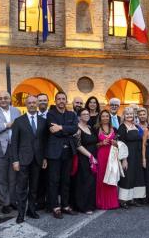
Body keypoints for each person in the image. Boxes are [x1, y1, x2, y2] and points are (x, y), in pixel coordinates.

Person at [9, 95, 47, 223]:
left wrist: (44, 158)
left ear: (37, 104)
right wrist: (15, 160)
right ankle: (21, 213)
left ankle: (31, 210)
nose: (32, 104)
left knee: (34, 188)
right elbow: (14, 142)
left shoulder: (43, 121)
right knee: (22, 188)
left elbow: (44, 141)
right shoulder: (19, 121)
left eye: (34, 102)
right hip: (23, 159)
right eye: (29, 102)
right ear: (26, 104)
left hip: (38, 159)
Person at [45, 91, 78, 219]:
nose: (61, 101)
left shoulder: (72, 114)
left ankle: (65, 205)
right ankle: (55, 206)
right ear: (55, 101)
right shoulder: (51, 114)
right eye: (59, 99)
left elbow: (75, 128)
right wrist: (66, 129)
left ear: (66, 100)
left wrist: (61, 128)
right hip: (54, 152)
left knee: (66, 180)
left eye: (63, 98)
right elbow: (53, 131)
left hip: (68, 152)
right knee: (54, 181)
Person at [117, 107, 146, 207]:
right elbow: (121, 144)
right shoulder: (122, 127)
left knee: (136, 176)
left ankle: (133, 198)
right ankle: (123, 200)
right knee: (127, 177)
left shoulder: (137, 126)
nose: (129, 116)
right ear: (124, 115)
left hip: (137, 155)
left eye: (131, 114)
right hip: (128, 156)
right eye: (127, 114)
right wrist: (124, 160)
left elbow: (143, 140)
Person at [74, 108, 98, 214]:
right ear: (79, 116)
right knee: (84, 182)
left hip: (93, 157)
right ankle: (83, 206)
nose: (86, 115)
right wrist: (90, 156)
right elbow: (78, 145)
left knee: (92, 182)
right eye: (84, 114)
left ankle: (90, 204)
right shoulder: (77, 128)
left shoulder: (89, 127)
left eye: (88, 114)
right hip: (83, 158)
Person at [95, 109, 119, 210]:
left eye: (107, 116)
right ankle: (102, 203)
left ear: (109, 118)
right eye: (103, 116)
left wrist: (115, 143)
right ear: (100, 118)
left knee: (111, 177)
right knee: (102, 177)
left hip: (112, 155)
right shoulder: (96, 129)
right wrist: (101, 143)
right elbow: (92, 145)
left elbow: (119, 144)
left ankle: (112, 202)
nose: (105, 118)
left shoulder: (114, 129)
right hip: (101, 155)